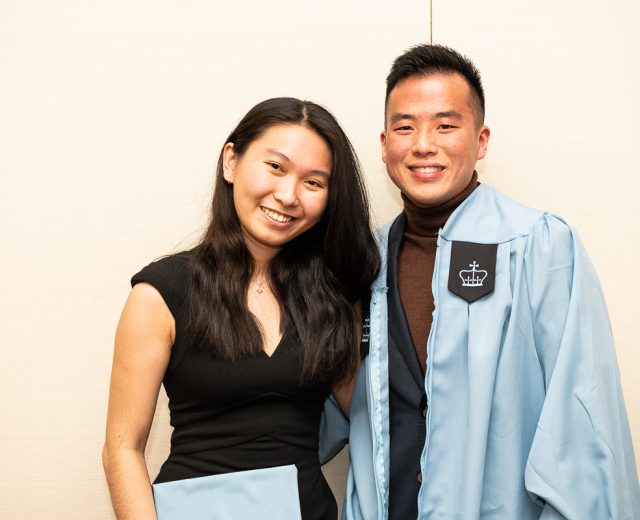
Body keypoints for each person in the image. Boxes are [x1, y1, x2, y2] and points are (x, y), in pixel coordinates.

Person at [321, 44, 640, 519]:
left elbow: (582, 427)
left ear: (481, 140)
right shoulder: (363, 262)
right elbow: (316, 411)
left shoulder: (539, 247)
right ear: (384, 145)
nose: (423, 144)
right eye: (405, 127)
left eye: (445, 126)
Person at [102, 97, 380, 520]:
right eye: (275, 167)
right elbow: (122, 449)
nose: (287, 195)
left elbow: (369, 417)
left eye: (313, 182)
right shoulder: (161, 293)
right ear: (231, 161)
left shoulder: (333, 296)